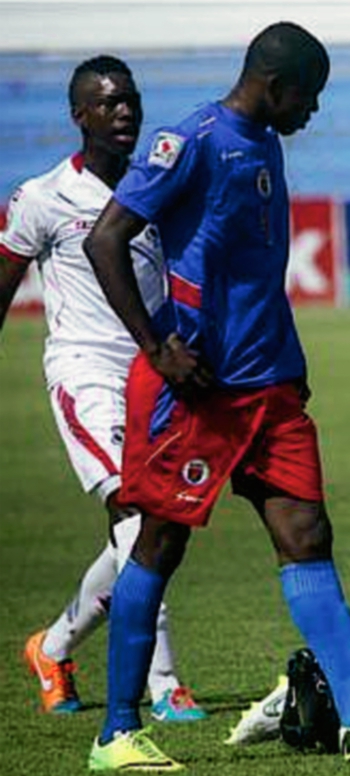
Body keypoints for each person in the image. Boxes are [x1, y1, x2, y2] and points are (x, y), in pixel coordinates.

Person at [82, 22, 350, 771]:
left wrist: (285, 358)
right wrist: (159, 346)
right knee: (161, 543)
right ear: (274, 85)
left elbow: (255, 271)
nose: (312, 114)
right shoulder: (189, 142)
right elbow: (106, 239)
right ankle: (116, 732)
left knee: (307, 534)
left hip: (270, 387)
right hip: (201, 391)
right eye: (308, 99)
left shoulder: (268, 142)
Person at [0, 55, 205, 723]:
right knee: (139, 519)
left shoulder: (159, 187)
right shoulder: (42, 197)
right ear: (79, 114)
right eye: (107, 102)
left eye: (130, 101)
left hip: (155, 377)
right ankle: (164, 683)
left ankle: (53, 647)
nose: (123, 112)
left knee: (156, 527)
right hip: (85, 375)